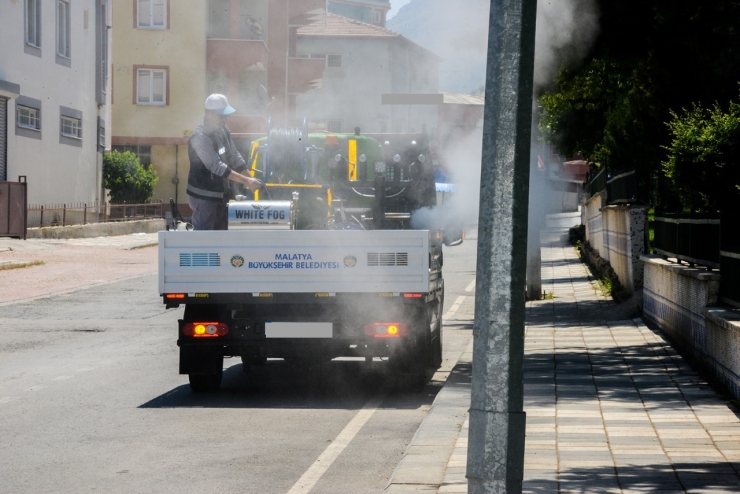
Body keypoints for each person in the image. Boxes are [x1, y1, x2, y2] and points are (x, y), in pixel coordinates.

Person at [186, 94, 262, 230]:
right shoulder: (200, 137)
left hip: (221, 194)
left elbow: (234, 156)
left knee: (221, 238)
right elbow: (217, 167)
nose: (225, 119)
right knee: (204, 240)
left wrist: (251, 179)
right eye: (221, 115)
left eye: (226, 115)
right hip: (204, 197)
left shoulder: (223, 130)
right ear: (209, 114)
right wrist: (246, 181)